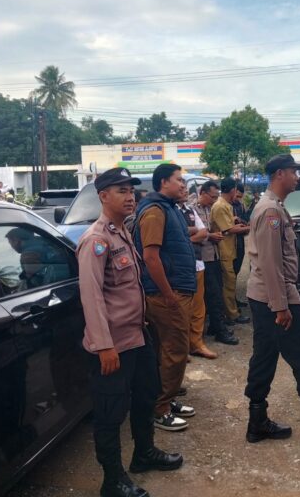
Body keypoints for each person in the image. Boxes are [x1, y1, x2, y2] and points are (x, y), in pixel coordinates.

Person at [76, 167, 183, 497]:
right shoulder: (96, 240)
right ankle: (113, 480)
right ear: (103, 196)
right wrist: (104, 346)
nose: (130, 196)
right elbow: (91, 297)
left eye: (131, 190)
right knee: (110, 414)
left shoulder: (122, 232)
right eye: (121, 191)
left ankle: (144, 453)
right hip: (114, 347)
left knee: (146, 396)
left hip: (137, 338)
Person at [244, 154, 300, 443]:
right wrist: (281, 307)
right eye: (293, 172)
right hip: (276, 298)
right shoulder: (270, 212)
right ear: (279, 175)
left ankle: (257, 421)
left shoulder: (274, 208)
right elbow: (271, 263)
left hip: (266, 297)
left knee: (264, 356)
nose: (297, 176)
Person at [133, 163, 197, 432]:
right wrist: (169, 294)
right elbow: (150, 257)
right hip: (166, 293)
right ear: (163, 183)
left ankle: (165, 400)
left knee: (166, 350)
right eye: (178, 180)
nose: (183, 185)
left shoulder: (170, 209)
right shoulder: (155, 212)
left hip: (175, 289)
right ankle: (160, 408)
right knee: (175, 350)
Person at [193, 180, 239, 346]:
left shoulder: (208, 209)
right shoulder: (192, 210)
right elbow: (193, 234)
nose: (214, 200)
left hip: (213, 255)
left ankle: (214, 325)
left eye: (215, 197)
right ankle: (220, 330)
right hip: (201, 258)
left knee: (215, 292)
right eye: (212, 197)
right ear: (202, 193)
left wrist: (213, 234)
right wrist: (209, 236)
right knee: (213, 295)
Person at [177, 195, 217, 360]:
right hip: (180, 267)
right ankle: (181, 347)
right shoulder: (169, 211)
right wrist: (191, 232)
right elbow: (174, 234)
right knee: (181, 308)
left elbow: (203, 232)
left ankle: (196, 343)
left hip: (197, 263)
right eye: (179, 183)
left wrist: (187, 236)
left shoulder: (190, 210)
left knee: (198, 307)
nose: (184, 189)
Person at [211, 177, 251, 324]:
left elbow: (230, 225)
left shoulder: (226, 205)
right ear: (233, 190)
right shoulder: (220, 206)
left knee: (230, 282)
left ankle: (230, 312)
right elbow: (229, 229)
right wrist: (251, 227)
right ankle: (232, 315)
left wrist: (240, 224)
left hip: (229, 249)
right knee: (228, 284)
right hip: (224, 251)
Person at [232, 182, 249, 277]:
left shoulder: (241, 206)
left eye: (240, 197)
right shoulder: (224, 206)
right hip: (229, 241)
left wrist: (241, 221)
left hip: (240, 240)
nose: (238, 199)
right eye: (237, 196)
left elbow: (246, 221)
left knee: (238, 263)